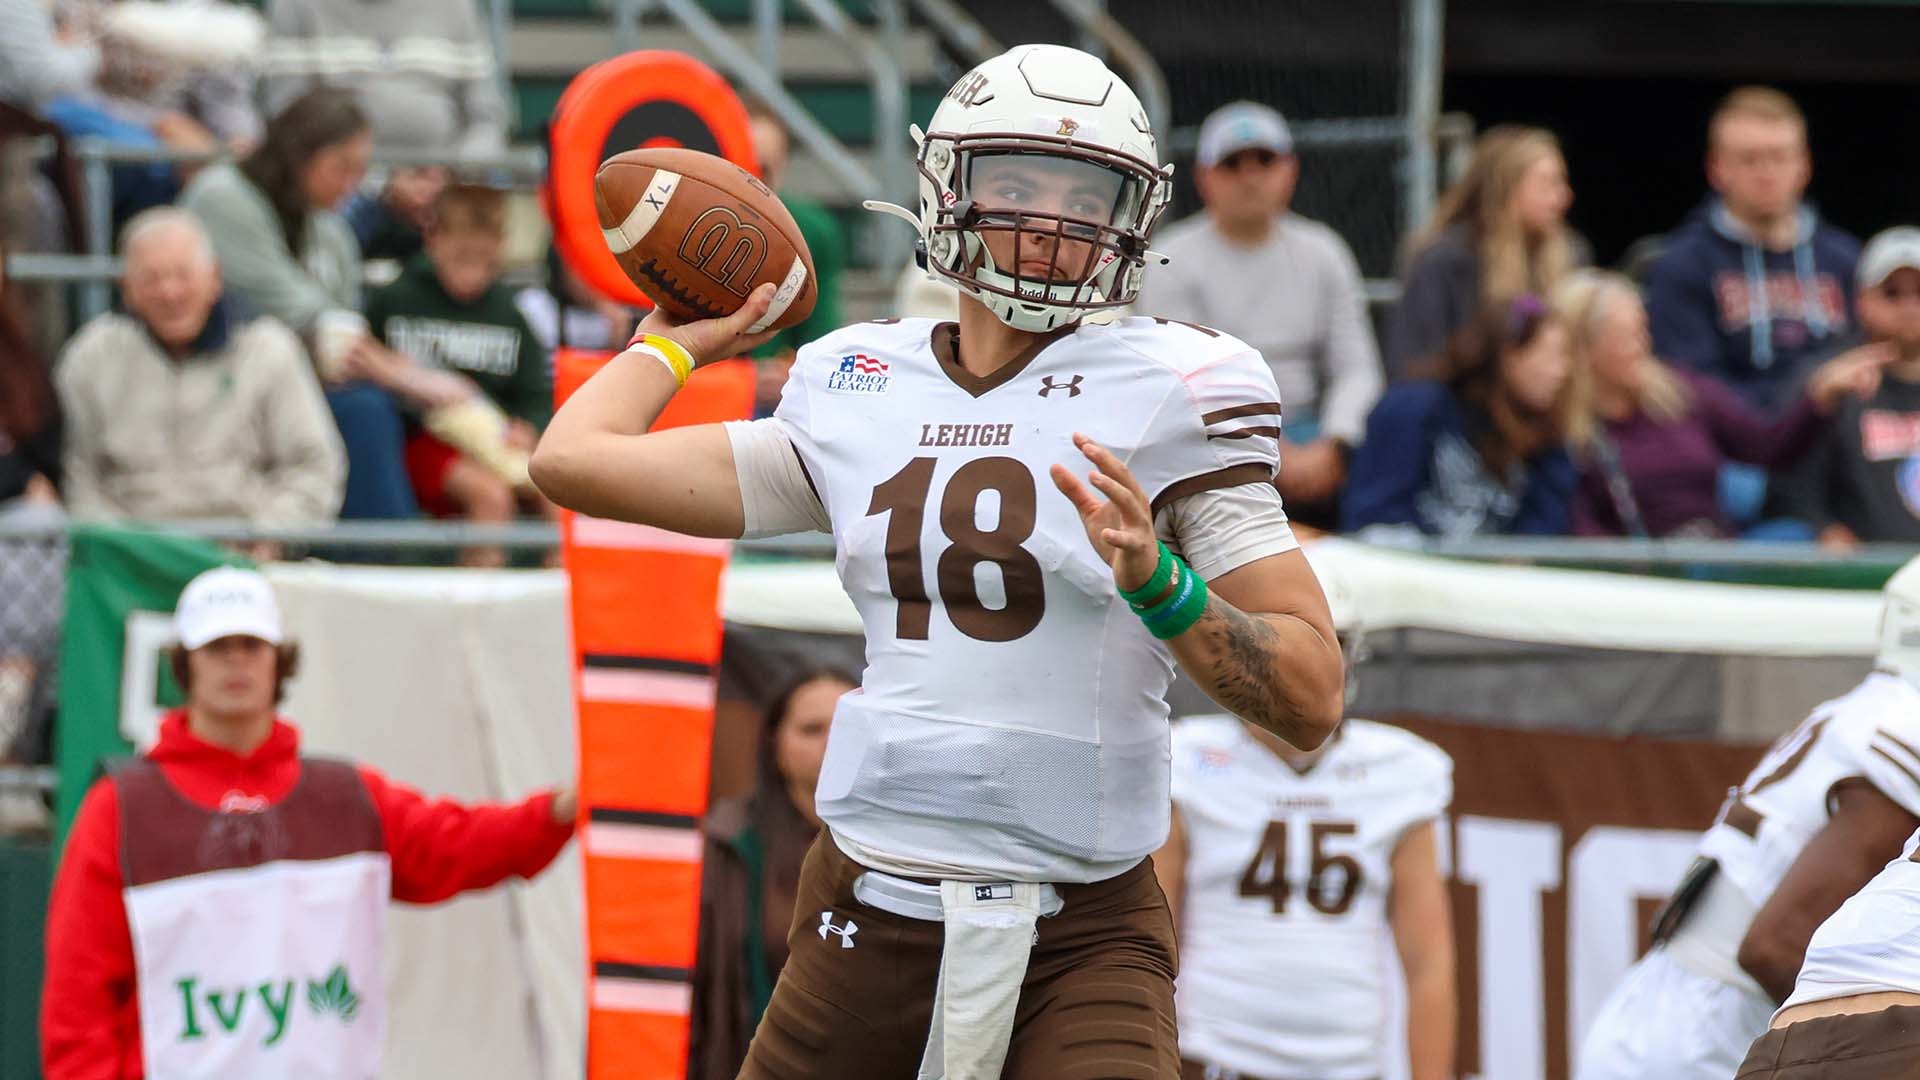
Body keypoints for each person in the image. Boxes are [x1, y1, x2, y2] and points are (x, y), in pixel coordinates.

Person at [531, 43, 1344, 1079]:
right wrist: (680, 338)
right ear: (946, 189)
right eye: (1015, 186)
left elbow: (1311, 695)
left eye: (1081, 194)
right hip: (871, 903)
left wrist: (1160, 584)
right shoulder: (857, 383)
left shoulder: (1180, 386)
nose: (1049, 223)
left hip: (1082, 925)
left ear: (1127, 218)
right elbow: (573, 459)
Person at [39, 565, 577, 1078]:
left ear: (279, 660)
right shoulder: (121, 808)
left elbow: (457, 845)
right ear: (185, 664)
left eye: (252, 646)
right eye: (217, 648)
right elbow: (77, 996)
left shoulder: (344, 796)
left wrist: (564, 807)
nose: (236, 662)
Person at [1575, 555, 1920, 1080]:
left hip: (1666, 1011)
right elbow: (1774, 947)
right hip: (1709, 1037)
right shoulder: (1905, 728)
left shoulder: (1868, 709)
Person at [1155, 704, 1455, 1080]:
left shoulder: (1401, 767)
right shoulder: (1188, 755)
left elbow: (1428, 963)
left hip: (1350, 1068)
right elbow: (1152, 940)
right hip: (1214, 1057)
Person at [179, 88, 434, 520]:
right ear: (299, 156)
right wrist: (406, 376)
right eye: (342, 167)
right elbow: (304, 315)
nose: (352, 184)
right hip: (217, 377)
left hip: (305, 383)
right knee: (365, 410)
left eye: (360, 171)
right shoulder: (222, 195)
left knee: (391, 408)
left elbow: (342, 332)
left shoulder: (329, 229)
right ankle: (387, 558)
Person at [1138, 101, 1383, 527]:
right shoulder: (1170, 257)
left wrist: (1336, 439)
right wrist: (1269, 448)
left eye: (1265, 161)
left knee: (1396, 422)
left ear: (1290, 170)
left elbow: (1357, 368)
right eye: (1232, 164)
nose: (1250, 177)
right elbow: (1183, 382)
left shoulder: (1324, 250)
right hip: (1214, 440)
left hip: (1319, 438)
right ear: (1204, 177)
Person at [56, 207, 346, 529]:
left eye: (183, 275)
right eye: (151, 279)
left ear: (215, 279)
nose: (169, 292)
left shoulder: (270, 349)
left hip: (245, 550)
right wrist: (120, 546)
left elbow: (314, 466)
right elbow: (77, 478)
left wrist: (270, 533)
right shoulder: (90, 357)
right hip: (128, 555)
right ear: (127, 289)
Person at [1553, 269, 1882, 539]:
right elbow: (1574, 524)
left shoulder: (1681, 390)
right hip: (1637, 578)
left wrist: (1819, 395)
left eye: (1643, 331)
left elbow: (1766, 446)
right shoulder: (1565, 430)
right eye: (1625, 336)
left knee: (1793, 537)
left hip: (1716, 552)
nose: (1642, 346)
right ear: (1586, 350)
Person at [364, 182, 552, 562]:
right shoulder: (396, 299)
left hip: (493, 439)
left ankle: (562, 599)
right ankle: (479, 610)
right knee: (490, 496)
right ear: (434, 240)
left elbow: (536, 393)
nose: (473, 272)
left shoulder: (509, 316)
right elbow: (368, 366)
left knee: (557, 493)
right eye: (462, 257)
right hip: (420, 439)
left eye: (484, 260)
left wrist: (528, 427)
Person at [1644, 87, 1859, 418]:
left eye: (1779, 157)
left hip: (1835, 434)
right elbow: (1691, 383)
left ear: (1804, 165)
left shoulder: (1847, 260)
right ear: (1716, 168)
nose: (1766, 173)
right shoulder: (1681, 264)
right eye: (1749, 159)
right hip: (1732, 447)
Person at [689, 666, 853, 1080]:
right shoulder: (728, 846)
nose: (832, 744)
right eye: (812, 729)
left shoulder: (916, 846)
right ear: (776, 745)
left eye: (850, 725)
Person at [1343, 295, 1577, 537]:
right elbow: (1376, 518)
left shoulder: (1546, 436)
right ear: (1508, 354)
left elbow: (1544, 530)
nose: (1562, 371)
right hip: (1410, 567)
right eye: (1549, 355)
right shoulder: (1413, 409)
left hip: (1497, 573)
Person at [1384, 125, 1584, 378]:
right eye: (1548, 184)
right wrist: (1470, 353)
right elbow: (1409, 368)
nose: (1564, 196)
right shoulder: (1443, 261)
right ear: (1505, 188)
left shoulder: (1572, 254)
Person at [1769, 227, 1920, 548]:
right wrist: (1823, 529)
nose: (1909, 306)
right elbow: (1787, 485)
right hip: (1859, 578)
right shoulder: (1831, 382)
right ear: (1862, 301)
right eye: (1892, 293)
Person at [260, 0, 507, 157]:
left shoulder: (459, 6)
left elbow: (488, 119)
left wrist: (450, 177)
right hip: (340, 191)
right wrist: (376, 185)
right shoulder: (294, 5)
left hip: (444, 188)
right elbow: (287, 120)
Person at [745, 101, 847, 416]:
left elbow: (822, 338)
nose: (752, 181)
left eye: (763, 169)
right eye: (739, 164)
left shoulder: (813, 232)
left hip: (775, 403)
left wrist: (792, 373)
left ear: (783, 165)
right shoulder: (684, 230)